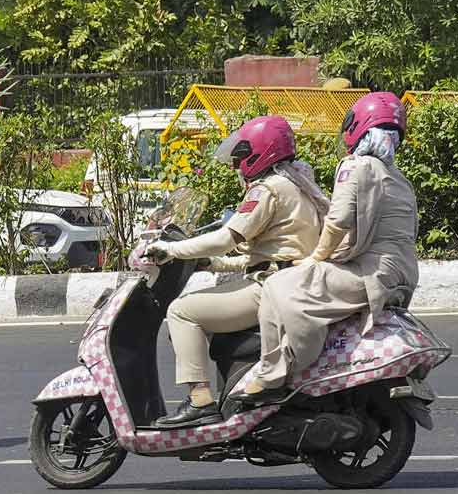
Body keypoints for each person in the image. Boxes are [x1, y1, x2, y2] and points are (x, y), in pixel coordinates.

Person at [144, 116, 329, 427]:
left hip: (271, 290)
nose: (236, 165)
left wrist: (171, 249)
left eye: (241, 156)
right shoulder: (297, 184)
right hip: (289, 283)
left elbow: (225, 239)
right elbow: (270, 256)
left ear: (259, 153)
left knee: (181, 312)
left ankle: (200, 401)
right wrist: (213, 264)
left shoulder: (267, 189)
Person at [236, 92, 417, 403]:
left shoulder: (356, 166)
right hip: (402, 274)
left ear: (357, 127)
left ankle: (274, 374)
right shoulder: (400, 178)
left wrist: (316, 258)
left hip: (370, 273)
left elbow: (339, 219)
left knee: (278, 285)